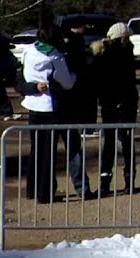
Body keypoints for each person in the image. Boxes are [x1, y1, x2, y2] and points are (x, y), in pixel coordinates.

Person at [19, 28, 77, 204]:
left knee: (36, 149)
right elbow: (67, 83)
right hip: (50, 107)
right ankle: (45, 193)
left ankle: (32, 189)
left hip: (33, 105)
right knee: (48, 153)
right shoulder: (55, 56)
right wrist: (74, 75)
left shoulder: (29, 50)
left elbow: (23, 75)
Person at [92, 23, 139, 196]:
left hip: (113, 104)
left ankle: (108, 183)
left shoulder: (104, 55)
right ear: (122, 38)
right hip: (119, 103)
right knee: (124, 143)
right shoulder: (120, 56)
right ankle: (125, 181)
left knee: (113, 143)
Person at [58, 18, 95, 198]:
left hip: (64, 103)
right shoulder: (69, 49)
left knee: (69, 148)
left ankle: (43, 189)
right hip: (66, 103)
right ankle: (82, 188)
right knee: (73, 149)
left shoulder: (66, 47)